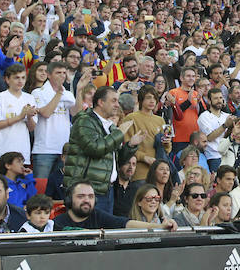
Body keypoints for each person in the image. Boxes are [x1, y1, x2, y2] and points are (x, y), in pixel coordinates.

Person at [64, 85, 146, 214]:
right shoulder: (85, 121)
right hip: (87, 192)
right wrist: (119, 133)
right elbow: (95, 149)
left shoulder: (110, 127)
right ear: (100, 102)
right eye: (113, 101)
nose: (117, 105)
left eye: (117, 101)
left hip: (106, 189)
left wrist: (130, 145)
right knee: (89, 232)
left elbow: (117, 160)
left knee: (103, 232)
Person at [32, 61, 85, 178]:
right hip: (44, 149)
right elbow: (46, 113)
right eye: (58, 73)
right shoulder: (37, 92)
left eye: (64, 73)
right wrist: (59, 94)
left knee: (60, 187)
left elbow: (77, 113)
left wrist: (79, 90)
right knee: (41, 188)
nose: (62, 75)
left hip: (63, 149)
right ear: (49, 74)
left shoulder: (68, 94)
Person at [53, 180, 177, 230]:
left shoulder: (99, 215)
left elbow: (126, 223)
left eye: (90, 197)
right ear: (69, 200)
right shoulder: (56, 223)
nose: (86, 200)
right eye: (81, 196)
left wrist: (159, 227)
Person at [0, 64, 38, 165]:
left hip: (22, 151)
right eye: (16, 78)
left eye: (23, 78)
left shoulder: (30, 98)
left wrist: (29, 117)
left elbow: (32, 128)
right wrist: (20, 117)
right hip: (3, 151)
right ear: (7, 79)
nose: (20, 81)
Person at [124, 85, 171, 181]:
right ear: (141, 100)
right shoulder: (131, 118)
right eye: (148, 97)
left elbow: (167, 149)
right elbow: (126, 147)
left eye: (154, 98)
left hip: (158, 175)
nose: (152, 101)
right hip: (139, 173)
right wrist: (144, 157)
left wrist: (167, 144)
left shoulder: (160, 120)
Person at [197, 87, 235, 172]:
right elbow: (209, 137)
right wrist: (225, 125)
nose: (219, 100)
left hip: (229, 154)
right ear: (209, 101)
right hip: (214, 156)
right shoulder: (204, 116)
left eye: (221, 98)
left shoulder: (227, 116)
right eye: (216, 98)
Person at [112, 152, 143, 217]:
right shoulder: (112, 187)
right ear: (120, 165)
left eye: (134, 164)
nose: (131, 167)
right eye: (127, 163)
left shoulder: (136, 190)